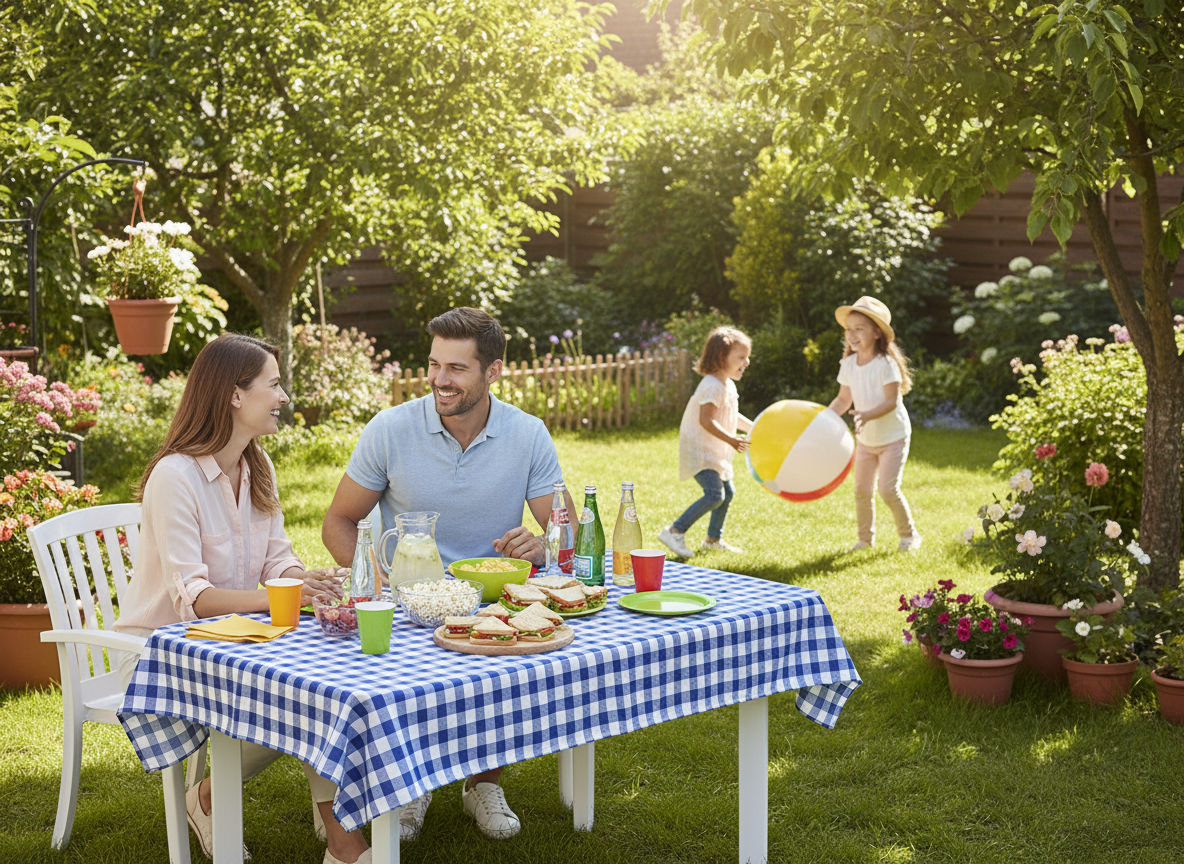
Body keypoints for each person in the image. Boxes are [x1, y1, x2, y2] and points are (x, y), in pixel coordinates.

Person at [114, 334, 373, 864]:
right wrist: (281, 597)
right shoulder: (175, 477)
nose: (283, 397)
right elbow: (195, 599)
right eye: (273, 385)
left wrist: (308, 582)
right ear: (235, 394)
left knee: (318, 688)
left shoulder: (259, 467)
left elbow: (278, 560)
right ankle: (345, 843)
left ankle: (218, 801)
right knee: (303, 700)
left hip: (238, 641)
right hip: (163, 655)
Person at [321, 306, 573, 840]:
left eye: (457, 368)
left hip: (494, 600)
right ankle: (411, 786)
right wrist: (375, 578)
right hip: (411, 602)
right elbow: (338, 521)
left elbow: (565, 529)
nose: (440, 379)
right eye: (435, 364)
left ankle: (483, 783)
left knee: (510, 667)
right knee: (405, 684)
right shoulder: (391, 429)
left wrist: (542, 545)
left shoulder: (527, 434)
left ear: (493, 371)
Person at [827, 296, 922, 552]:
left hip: (893, 437)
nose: (851, 335)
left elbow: (892, 401)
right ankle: (865, 540)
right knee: (861, 490)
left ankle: (909, 535)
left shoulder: (885, 364)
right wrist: (825, 418)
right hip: (866, 440)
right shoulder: (848, 364)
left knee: (888, 489)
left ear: (877, 333)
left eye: (859, 329)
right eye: (849, 329)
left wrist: (867, 415)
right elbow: (843, 399)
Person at [658, 326, 754, 558]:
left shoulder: (727, 384)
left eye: (747, 357)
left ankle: (712, 539)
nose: (747, 362)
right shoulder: (712, 385)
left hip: (714, 450)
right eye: (741, 357)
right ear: (721, 357)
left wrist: (755, 427)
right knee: (714, 495)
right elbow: (706, 420)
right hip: (701, 451)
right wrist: (731, 439)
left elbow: (730, 415)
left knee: (727, 493)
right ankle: (674, 531)